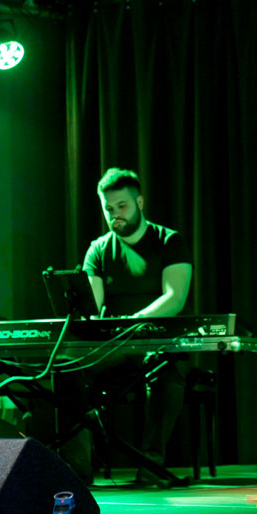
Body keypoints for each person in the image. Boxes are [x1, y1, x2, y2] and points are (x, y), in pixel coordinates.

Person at [83, 167, 193, 473]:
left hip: (159, 344)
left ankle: (150, 464)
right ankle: (77, 467)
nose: (115, 214)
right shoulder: (98, 250)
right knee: (69, 372)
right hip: (115, 348)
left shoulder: (169, 241)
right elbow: (91, 307)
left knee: (167, 375)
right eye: (108, 209)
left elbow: (174, 298)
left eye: (122, 206)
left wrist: (133, 321)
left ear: (139, 202)